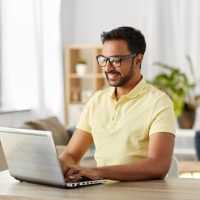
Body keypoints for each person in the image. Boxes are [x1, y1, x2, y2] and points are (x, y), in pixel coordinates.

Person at [60, 26, 176, 182]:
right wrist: (56, 168)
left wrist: (99, 172)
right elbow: (71, 154)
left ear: (138, 60)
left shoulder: (159, 103)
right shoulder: (97, 100)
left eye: (116, 60)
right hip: (100, 192)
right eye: (104, 60)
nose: (107, 68)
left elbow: (158, 166)